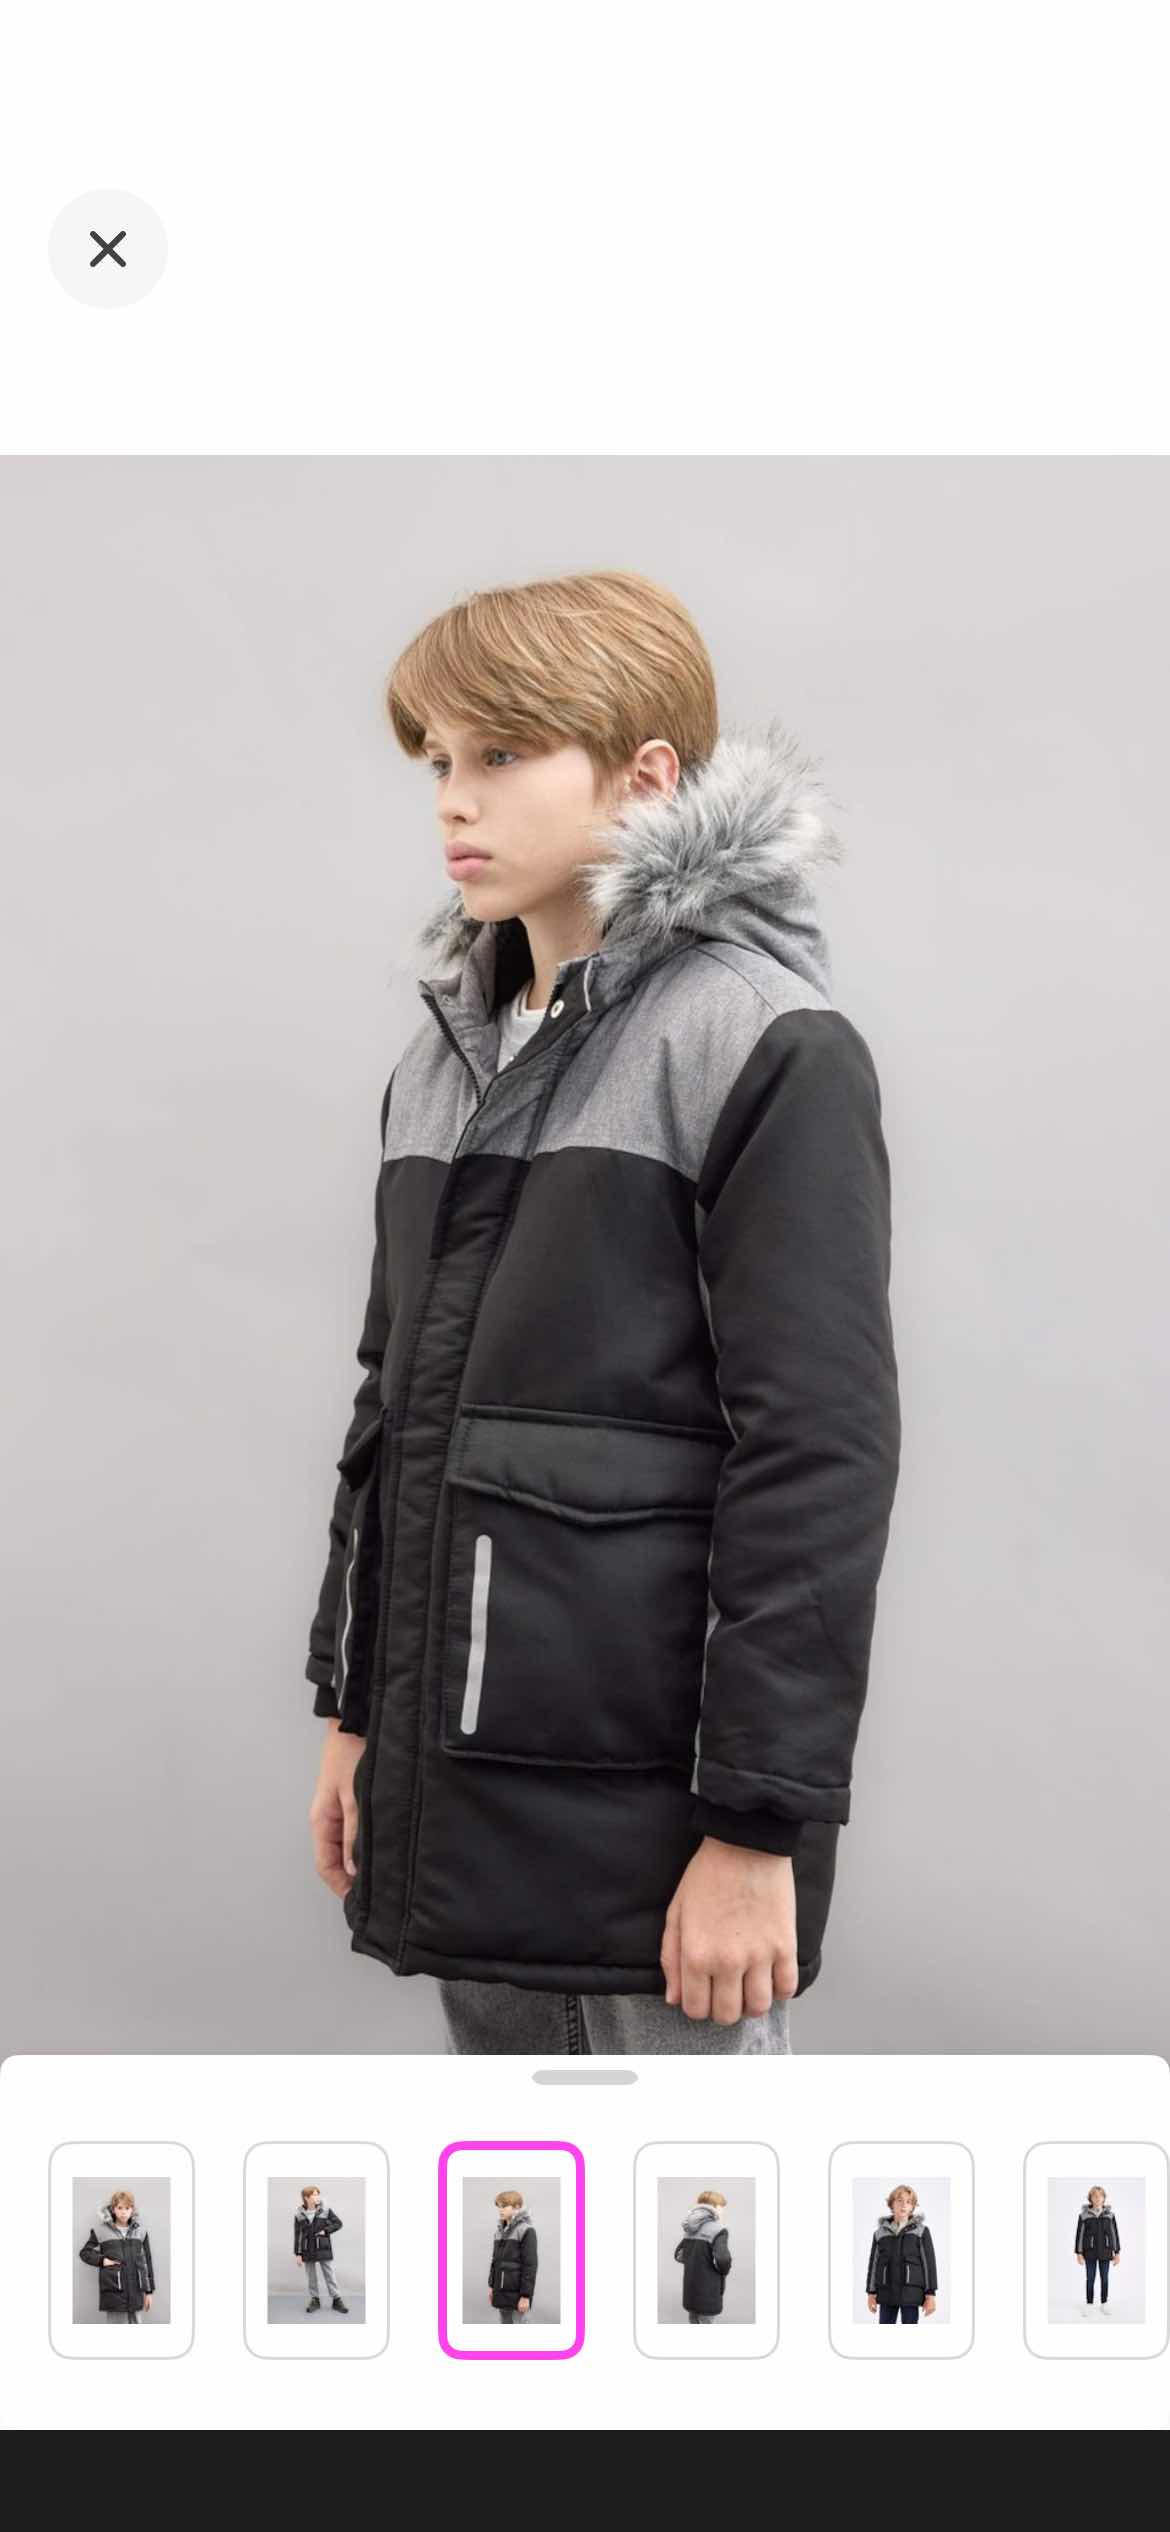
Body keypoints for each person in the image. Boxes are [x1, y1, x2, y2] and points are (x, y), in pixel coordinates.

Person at [306, 568, 901, 2056]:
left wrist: (755, 1829)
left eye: (503, 754)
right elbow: (392, 1413)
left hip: (660, 1820)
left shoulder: (756, 1042)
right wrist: (356, 1716)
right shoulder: (442, 1062)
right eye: (439, 761)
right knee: (527, 2197)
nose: (456, 799)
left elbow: (816, 1454)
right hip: (462, 1782)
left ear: (644, 775)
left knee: (692, 2201)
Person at [79, 2189, 154, 2324]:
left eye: (127, 2208)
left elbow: (146, 2262)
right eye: (120, 2208)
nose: (124, 2212)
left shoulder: (140, 2232)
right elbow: (85, 2253)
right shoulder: (101, 2231)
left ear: (132, 2210)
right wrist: (102, 2261)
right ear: (113, 2209)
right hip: (114, 2293)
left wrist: (149, 2292)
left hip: (136, 2293)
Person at [865, 2185, 938, 2324]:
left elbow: (929, 2264)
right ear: (892, 2204)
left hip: (911, 2292)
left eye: (908, 2202)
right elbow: (873, 2264)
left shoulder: (921, 2231)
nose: (904, 2205)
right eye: (899, 2200)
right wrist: (871, 2293)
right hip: (887, 2293)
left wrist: (930, 2294)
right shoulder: (880, 2233)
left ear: (912, 2207)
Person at [674, 2189, 733, 2323]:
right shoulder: (718, 2230)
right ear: (714, 2207)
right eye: (722, 2207)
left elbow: (679, 2255)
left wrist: (695, 2260)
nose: (723, 2211)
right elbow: (723, 2259)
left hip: (690, 2291)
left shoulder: (689, 2229)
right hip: (708, 2292)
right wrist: (723, 2270)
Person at [293, 2184, 349, 2314]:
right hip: (307, 2249)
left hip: (323, 2247)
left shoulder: (325, 2210)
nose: (317, 2197)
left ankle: (337, 2300)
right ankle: (315, 2300)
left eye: (318, 2194)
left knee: (329, 2274)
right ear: (306, 2197)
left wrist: (326, 2231)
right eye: (314, 2194)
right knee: (311, 2276)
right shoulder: (299, 2214)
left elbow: (338, 2223)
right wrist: (298, 2253)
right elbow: (298, 2234)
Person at [487, 2189, 538, 2324]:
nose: (500, 2210)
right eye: (499, 2206)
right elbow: (495, 2262)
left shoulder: (526, 2230)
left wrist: (525, 2296)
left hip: (518, 2295)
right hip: (501, 2293)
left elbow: (530, 2265)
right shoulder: (499, 2232)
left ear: (517, 2206)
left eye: (504, 2206)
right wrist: (492, 2286)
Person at [1075, 2185, 1121, 2310]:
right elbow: (1080, 2235)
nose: (1098, 2198)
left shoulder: (1110, 2215)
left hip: (1105, 2251)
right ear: (1090, 2198)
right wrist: (1079, 2253)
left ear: (1104, 2198)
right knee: (1090, 2278)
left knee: (1104, 2278)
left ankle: (1104, 2303)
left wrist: (1117, 2252)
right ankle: (1089, 2304)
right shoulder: (1084, 2215)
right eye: (1095, 2196)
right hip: (1089, 2252)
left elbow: (1114, 2234)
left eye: (1100, 2196)